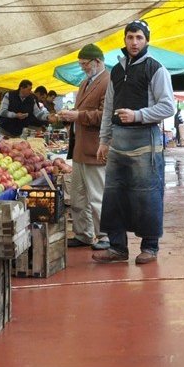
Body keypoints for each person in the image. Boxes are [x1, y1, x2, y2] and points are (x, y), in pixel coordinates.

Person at [93, 19, 175, 265]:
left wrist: (138, 115)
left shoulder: (156, 68)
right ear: (125, 40)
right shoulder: (116, 71)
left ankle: (150, 247)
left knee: (147, 194)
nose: (134, 42)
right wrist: (104, 140)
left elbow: (168, 106)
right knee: (114, 193)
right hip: (118, 140)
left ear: (147, 40)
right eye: (130, 37)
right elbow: (109, 108)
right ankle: (118, 248)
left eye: (139, 37)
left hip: (145, 140)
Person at [59, 45, 111, 250]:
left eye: (85, 64)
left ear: (97, 61)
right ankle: (83, 234)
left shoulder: (107, 82)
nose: (82, 68)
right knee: (78, 196)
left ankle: (105, 235)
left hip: (96, 149)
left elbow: (106, 116)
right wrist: (69, 115)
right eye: (80, 64)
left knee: (98, 195)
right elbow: (82, 111)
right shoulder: (85, 83)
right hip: (79, 148)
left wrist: (78, 116)